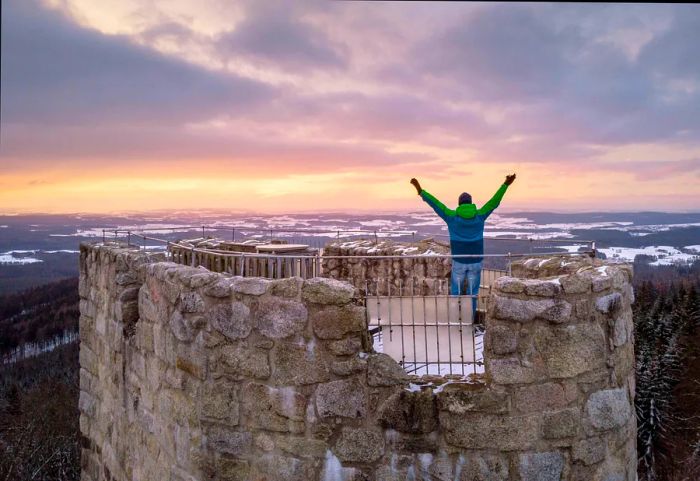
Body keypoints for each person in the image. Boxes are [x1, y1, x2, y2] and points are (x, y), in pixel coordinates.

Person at [410, 174, 516, 318]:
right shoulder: (480, 215)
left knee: (456, 293)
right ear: (470, 203)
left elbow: (436, 204)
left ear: (459, 204)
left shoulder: (452, 216)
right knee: (472, 295)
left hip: (459, 260)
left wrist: (421, 191)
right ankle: (469, 321)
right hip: (475, 261)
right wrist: (505, 184)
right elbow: (494, 202)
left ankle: (454, 320)